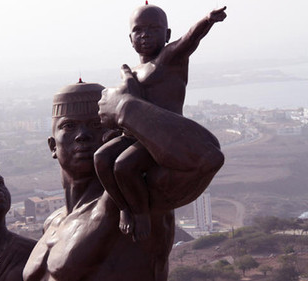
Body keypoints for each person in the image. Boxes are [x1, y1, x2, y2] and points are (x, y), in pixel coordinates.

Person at [23, 66, 224, 280]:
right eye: (69, 126)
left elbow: (207, 158)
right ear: (52, 146)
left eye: (95, 124)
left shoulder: (138, 198)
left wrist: (124, 108)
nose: (82, 136)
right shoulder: (52, 222)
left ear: (112, 135)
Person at [94, 4, 227, 241]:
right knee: (101, 158)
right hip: (134, 134)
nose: (145, 35)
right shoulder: (134, 70)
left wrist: (207, 20)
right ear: (130, 38)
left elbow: (189, 39)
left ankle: (140, 213)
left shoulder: (169, 58)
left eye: (154, 29)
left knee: (123, 166)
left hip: (161, 138)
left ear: (166, 35)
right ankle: (124, 207)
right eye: (139, 30)